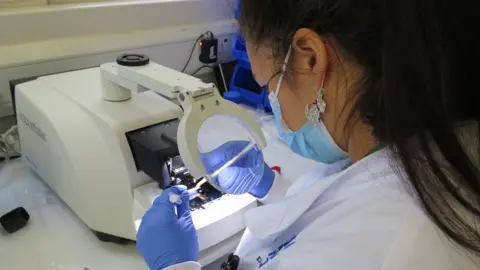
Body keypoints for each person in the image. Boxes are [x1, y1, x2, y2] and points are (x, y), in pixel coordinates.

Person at [136, 0, 480, 269]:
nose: (272, 100)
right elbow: (338, 208)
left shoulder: (384, 243)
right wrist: (271, 189)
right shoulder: (443, 143)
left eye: (269, 85)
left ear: (310, 58)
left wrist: (176, 266)